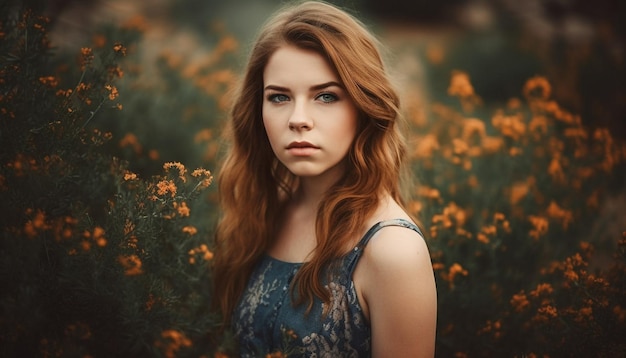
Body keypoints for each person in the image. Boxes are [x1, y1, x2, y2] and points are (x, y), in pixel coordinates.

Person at [212, 1, 437, 356]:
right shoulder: (265, 212)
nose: (298, 119)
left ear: (365, 107)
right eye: (280, 97)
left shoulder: (394, 252)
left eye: (326, 96)